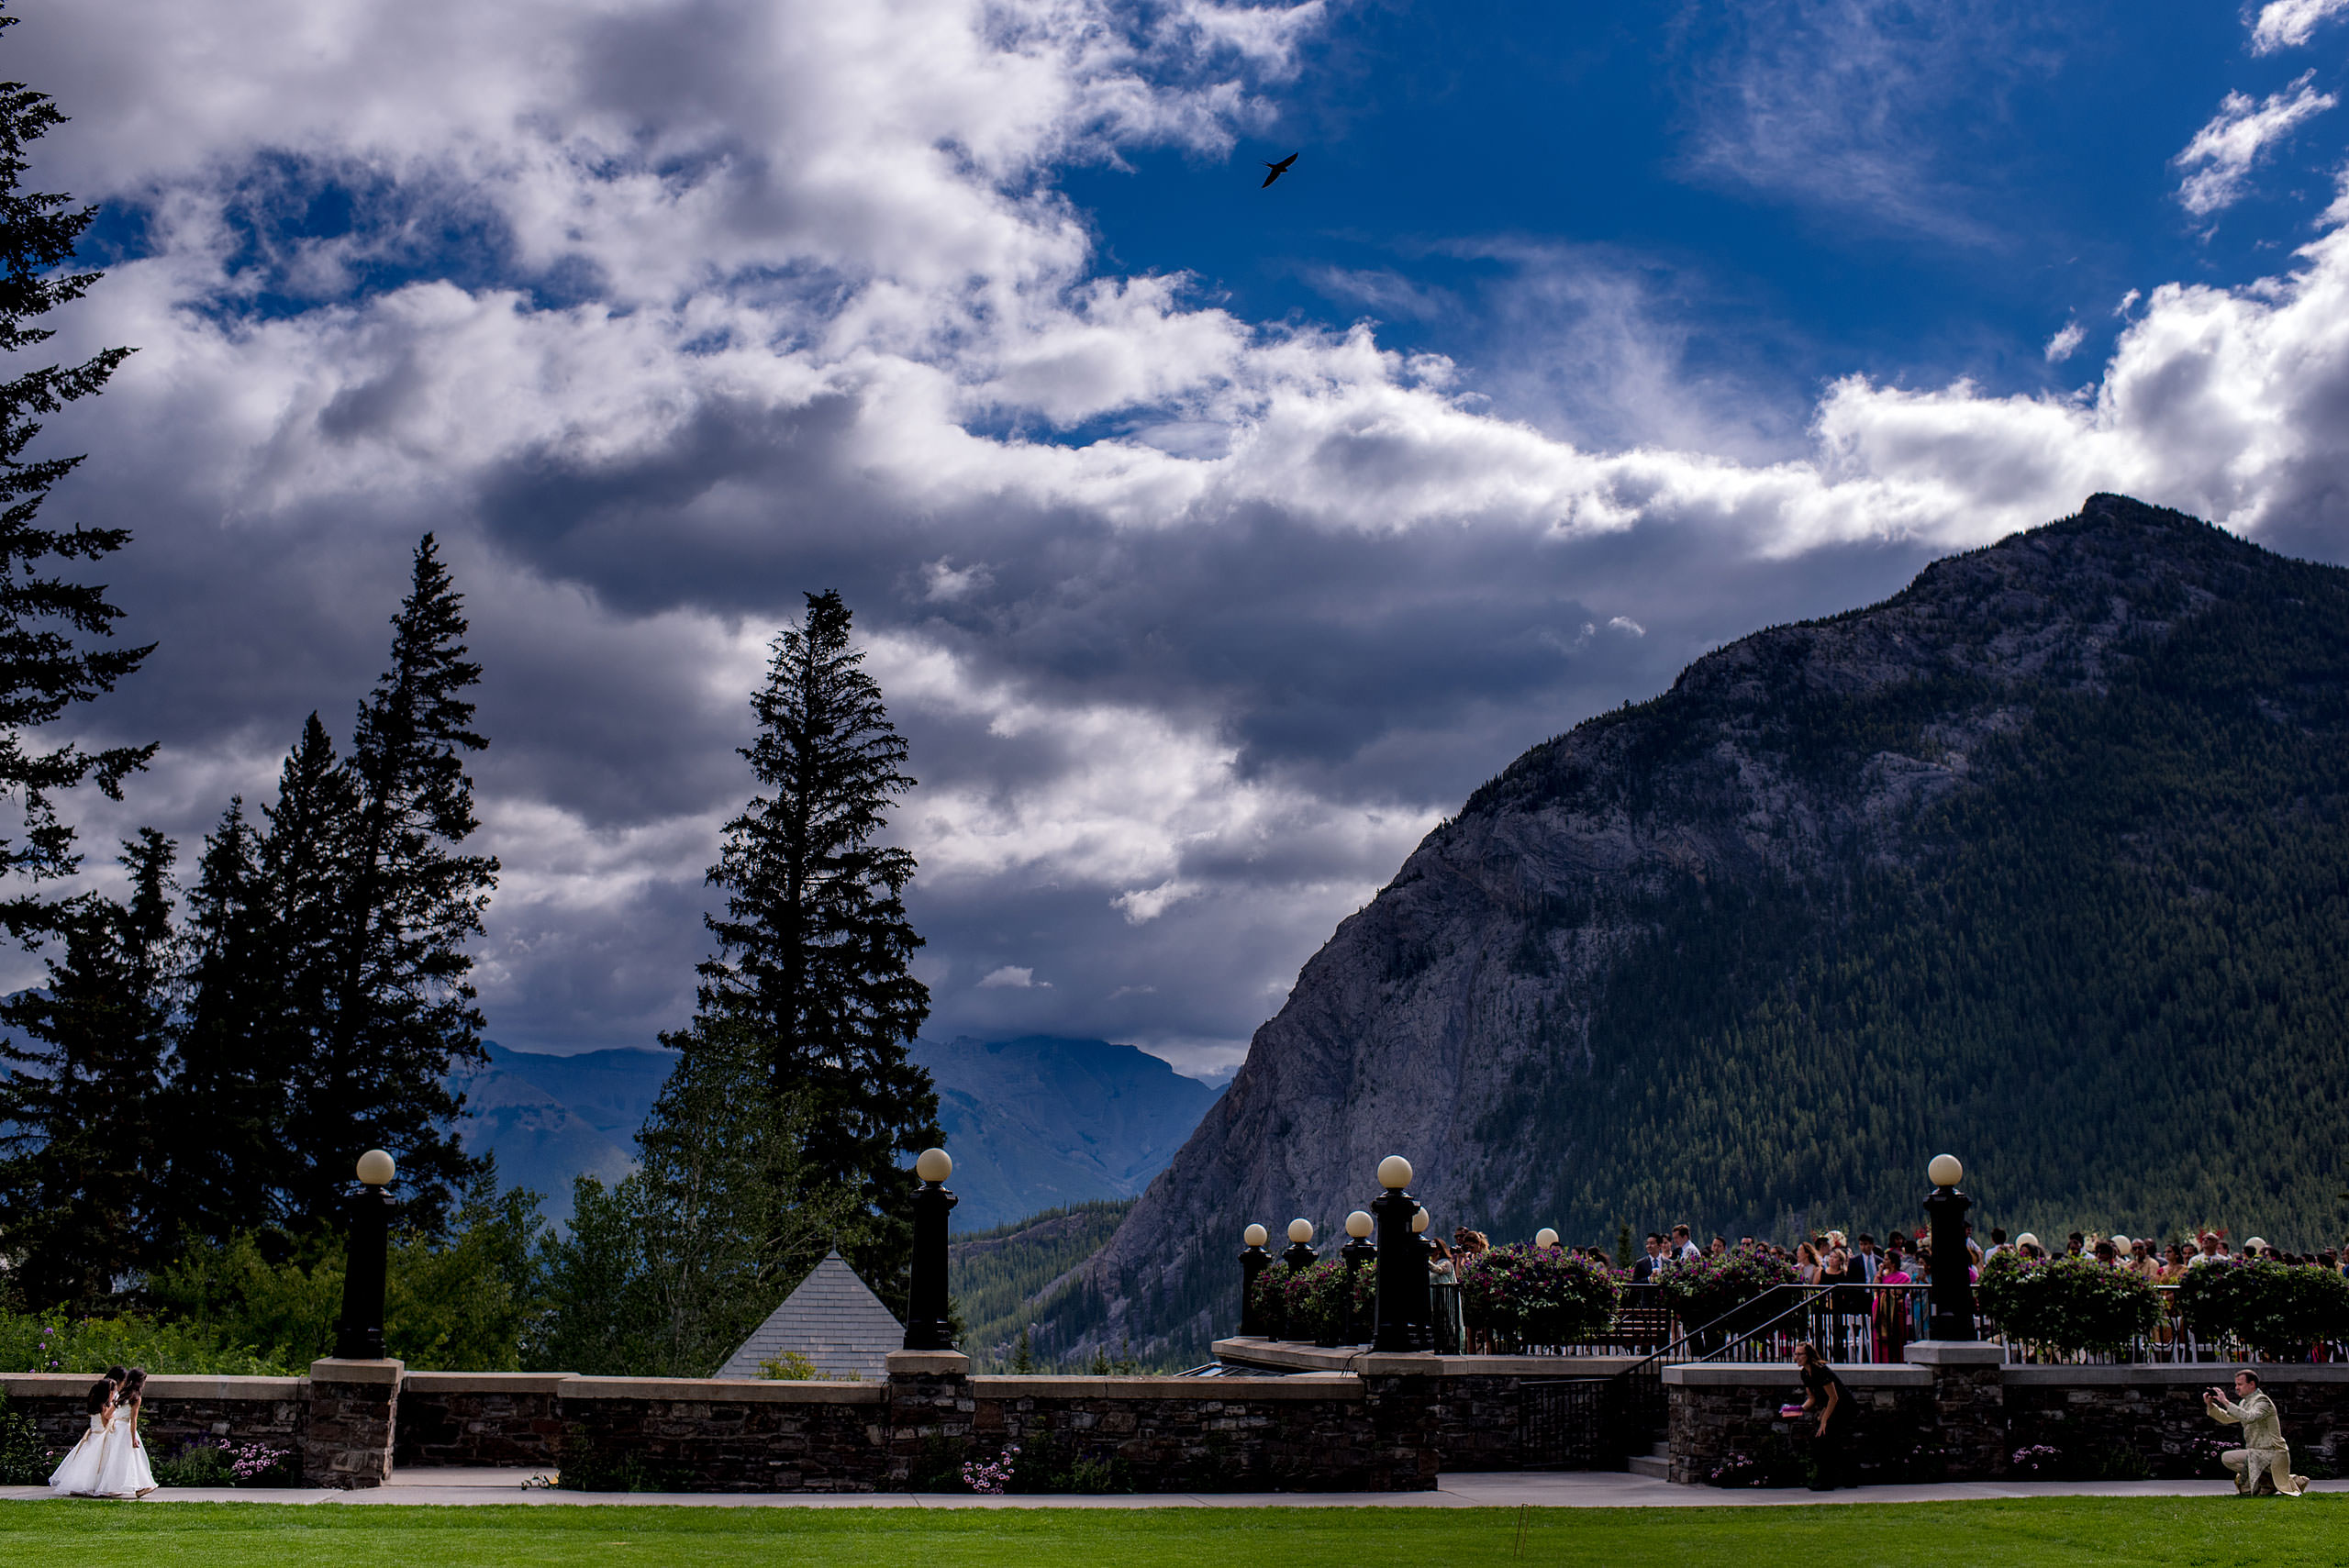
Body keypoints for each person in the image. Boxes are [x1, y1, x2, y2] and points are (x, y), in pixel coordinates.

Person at [2205, 1371, 2308, 1496]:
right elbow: (2227, 1418)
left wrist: (2225, 1401)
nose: (2236, 1388)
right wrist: (2211, 1405)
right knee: (2245, 1490)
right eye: (2236, 1384)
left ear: (2251, 1384)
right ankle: (2271, 1481)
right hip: (2256, 1452)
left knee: (2228, 1458)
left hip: (2273, 1453)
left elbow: (2249, 1417)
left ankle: (2274, 1481)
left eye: (2240, 1384)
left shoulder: (2263, 1402)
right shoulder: (2245, 1403)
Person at [1790, 1340, 1851, 1490]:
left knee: (1822, 1440)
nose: (1796, 1357)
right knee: (1827, 1442)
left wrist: (1824, 1420)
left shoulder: (1821, 1371)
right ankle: (1849, 1476)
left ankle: (1826, 1481)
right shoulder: (1805, 1373)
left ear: (1808, 1356)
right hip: (1831, 1407)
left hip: (1844, 1407)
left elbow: (1834, 1397)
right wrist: (1797, 1409)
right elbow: (1812, 1398)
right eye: (1795, 1354)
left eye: (1799, 1354)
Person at [49, 1372, 118, 1496]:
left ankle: (86, 1485)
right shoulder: (105, 1407)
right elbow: (107, 1421)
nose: (114, 1395)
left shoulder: (94, 1405)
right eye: (113, 1392)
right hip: (101, 1436)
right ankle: (99, 1486)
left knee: (87, 1463)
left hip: (92, 1435)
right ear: (108, 1393)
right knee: (100, 1463)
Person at [94, 1365, 157, 1499]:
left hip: (116, 1427)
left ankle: (137, 1486)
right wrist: (134, 1438)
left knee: (117, 1457)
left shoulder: (121, 1395)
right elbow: (133, 1420)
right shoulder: (136, 1398)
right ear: (140, 1382)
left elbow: (108, 1414)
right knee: (132, 1457)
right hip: (126, 1429)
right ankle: (140, 1486)